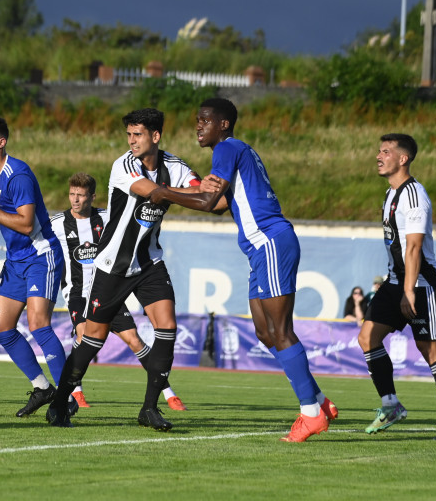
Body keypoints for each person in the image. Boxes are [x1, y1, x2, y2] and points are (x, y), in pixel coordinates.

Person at [143, 98, 337, 442]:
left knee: (281, 330)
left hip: (271, 242)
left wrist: (161, 193)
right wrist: (170, 192)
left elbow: (205, 201)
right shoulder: (233, 152)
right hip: (259, 249)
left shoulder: (227, 148)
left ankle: (310, 413)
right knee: (265, 332)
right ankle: (320, 402)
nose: (198, 126)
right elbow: (217, 205)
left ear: (223, 124)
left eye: (205, 120)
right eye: (196, 120)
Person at [46, 108, 209, 431]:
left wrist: (206, 192)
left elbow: (202, 194)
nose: (132, 141)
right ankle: (60, 401)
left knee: (167, 326)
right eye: (129, 135)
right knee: (93, 338)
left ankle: (149, 408)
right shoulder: (124, 166)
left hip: (149, 262)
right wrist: (199, 193)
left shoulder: (174, 166)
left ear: (156, 136)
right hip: (113, 265)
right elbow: (160, 193)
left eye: (138, 135)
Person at [356, 133, 436, 440]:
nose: (379, 156)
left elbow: (414, 248)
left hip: (421, 285)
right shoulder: (391, 194)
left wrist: (408, 291)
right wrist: (398, 286)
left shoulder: (414, 194)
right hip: (395, 282)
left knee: (428, 348)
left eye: (386, 152)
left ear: (403, 159)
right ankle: (391, 405)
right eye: (379, 150)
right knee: (367, 338)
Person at [49, 172, 187, 411]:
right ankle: (75, 394)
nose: (75, 200)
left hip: (110, 289)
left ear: (93, 197)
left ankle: (168, 393)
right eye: (72, 194)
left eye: (81, 195)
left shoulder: (108, 217)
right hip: (79, 294)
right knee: (83, 337)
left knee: (135, 341)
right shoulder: (57, 223)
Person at [0, 115, 68, 418]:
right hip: (15, 261)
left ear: (1, 142)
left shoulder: (17, 174)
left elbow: (25, 224)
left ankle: (63, 399)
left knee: (38, 324)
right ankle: (42, 387)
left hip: (40, 256)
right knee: (4, 329)